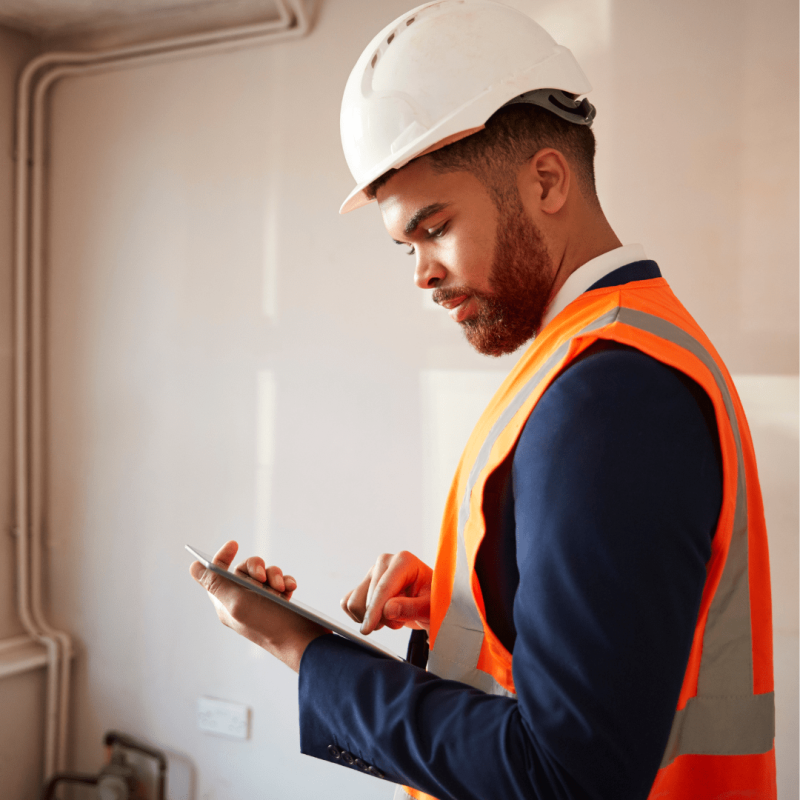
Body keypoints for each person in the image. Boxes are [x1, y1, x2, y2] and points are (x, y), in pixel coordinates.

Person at [190, 2, 777, 798]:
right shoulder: (603, 352)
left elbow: (566, 777)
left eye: (434, 228)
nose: (421, 273)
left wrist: (304, 650)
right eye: (408, 245)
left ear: (544, 180)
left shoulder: (611, 391)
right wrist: (465, 595)